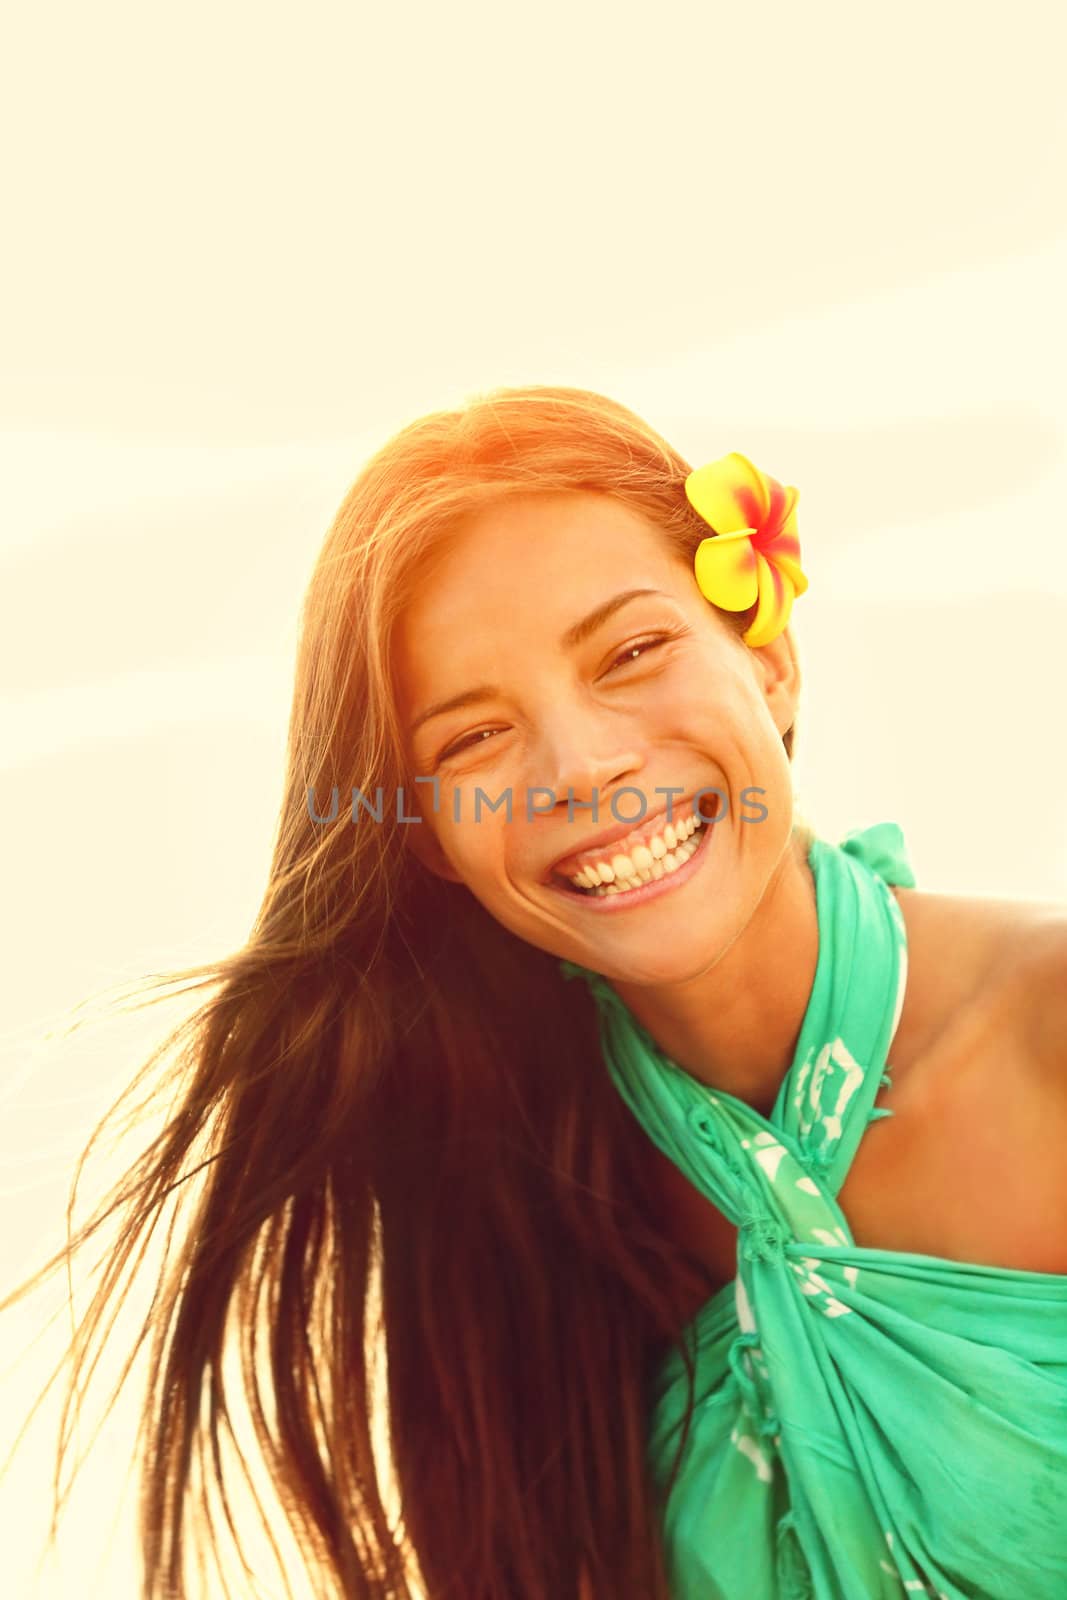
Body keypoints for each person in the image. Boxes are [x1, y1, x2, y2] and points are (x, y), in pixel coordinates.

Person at [7, 384, 1067, 1599]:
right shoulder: (509, 1192)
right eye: (470, 739)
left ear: (767, 658)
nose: (581, 767)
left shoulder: (1047, 1030)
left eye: (630, 652)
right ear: (425, 839)